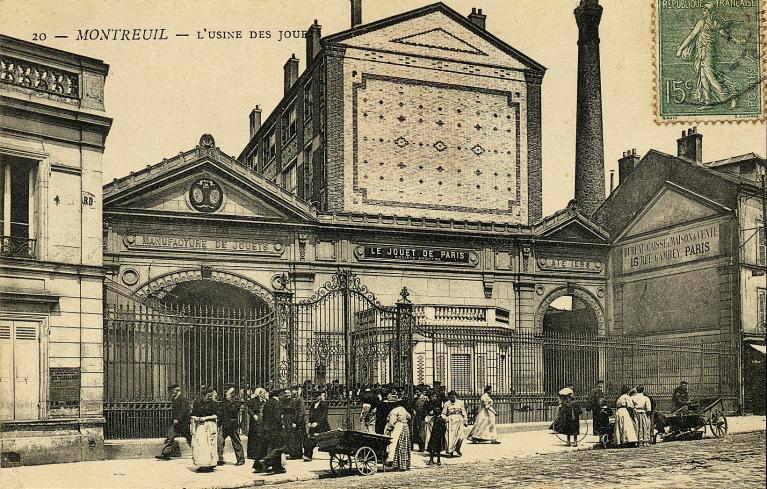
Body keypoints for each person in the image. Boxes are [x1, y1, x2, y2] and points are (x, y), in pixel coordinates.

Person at [676, 2, 745, 109]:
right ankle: (707, 102)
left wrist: (681, 49)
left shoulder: (702, 23)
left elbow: (692, 36)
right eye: (703, 10)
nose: (703, 12)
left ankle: (730, 97)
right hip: (705, 53)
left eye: (705, 10)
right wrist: (739, 42)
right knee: (703, 76)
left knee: (710, 77)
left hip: (705, 53)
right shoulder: (716, 24)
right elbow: (727, 36)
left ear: (710, 12)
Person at [155, 384, 192, 460]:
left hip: (183, 422)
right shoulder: (174, 398)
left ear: (177, 390)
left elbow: (183, 410)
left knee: (189, 438)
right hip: (176, 422)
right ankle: (166, 454)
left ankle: (197, 452)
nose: (171, 392)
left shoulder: (183, 399)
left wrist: (178, 419)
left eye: (173, 391)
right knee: (170, 436)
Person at [255, 388, 285, 474]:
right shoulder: (277, 404)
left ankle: (277, 467)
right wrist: (281, 426)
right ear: (279, 395)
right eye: (282, 394)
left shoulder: (267, 403)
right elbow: (277, 418)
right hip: (275, 429)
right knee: (279, 447)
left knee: (272, 447)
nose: (283, 396)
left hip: (267, 428)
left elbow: (263, 417)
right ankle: (267, 461)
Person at [190, 387, 219, 472]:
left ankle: (210, 464)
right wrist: (197, 418)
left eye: (210, 396)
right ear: (203, 396)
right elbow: (192, 415)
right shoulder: (197, 404)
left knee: (210, 445)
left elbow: (217, 415)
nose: (209, 397)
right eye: (208, 396)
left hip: (210, 426)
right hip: (200, 426)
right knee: (201, 445)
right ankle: (202, 464)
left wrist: (206, 418)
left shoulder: (214, 404)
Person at [217, 385, 245, 466]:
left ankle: (241, 459)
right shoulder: (224, 399)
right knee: (219, 442)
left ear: (232, 392)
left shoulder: (237, 400)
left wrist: (229, 401)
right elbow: (221, 410)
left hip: (232, 425)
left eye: (227, 390)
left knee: (236, 442)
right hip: (223, 424)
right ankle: (220, 459)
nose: (225, 392)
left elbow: (233, 410)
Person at [383, 393, 412, 471]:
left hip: (398, 427)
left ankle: (397, 464)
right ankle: (404, 464)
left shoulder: (394, 411)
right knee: (404, 445)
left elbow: (391, 423)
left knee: (395, 444)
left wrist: (387, 430)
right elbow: (409, 416)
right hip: (405, 427)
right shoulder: (402, 409)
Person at [303, 390, 330, 461]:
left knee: (327, 442)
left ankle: (308, 455)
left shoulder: (324, 404)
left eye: (317, 396)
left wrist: (317, 423)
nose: (316, 397)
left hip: (322, 426)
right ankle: (308, 455)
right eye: (314, 396)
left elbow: (323, 416)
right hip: (313, 426)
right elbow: (311, 415)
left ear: (320, 397)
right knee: (309, 440)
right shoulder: (312, 405)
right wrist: (309, 422)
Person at [282, 387, 306, 459]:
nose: (287, 395)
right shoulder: (284, 401)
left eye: (288, 393)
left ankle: (296, 453)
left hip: (292, 420)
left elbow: (297, 412)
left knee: (294, 436)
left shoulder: (294, 401)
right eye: (285, 393)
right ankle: (290, 452)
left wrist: (295, 421)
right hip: (286, 420)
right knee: (288, 436)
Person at [246, 388, 268, 462]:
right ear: (258, 393)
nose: (263, 394)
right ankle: (252, 453)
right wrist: (253, 415)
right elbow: (249, 409)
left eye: (264, 393)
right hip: (255, 420)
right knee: (254, 435)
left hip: (262, 419)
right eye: (262, 393)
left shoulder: (265, 401)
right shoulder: (253, 400)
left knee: (261, 435)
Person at [443, 390, 467, 457]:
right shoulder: (446, 404)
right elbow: (444, 413)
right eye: (450, 397)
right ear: (449, 397)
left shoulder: (460, 403)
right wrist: (444, 419)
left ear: (456, 396)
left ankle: (457, 449)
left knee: (460, 437)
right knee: (450, 437)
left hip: (459, 420)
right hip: (450, 422)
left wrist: (465, 420)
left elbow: (463, 412)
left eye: (453, 396)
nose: (452, 398)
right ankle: (450, 451)